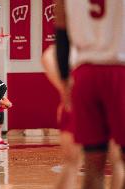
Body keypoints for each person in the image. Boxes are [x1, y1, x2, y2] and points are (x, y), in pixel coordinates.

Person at [54, 1, 125, 188]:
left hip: (84, 75)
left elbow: (61, 33)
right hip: (120, 68)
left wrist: (64, 79)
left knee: (93, 163)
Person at [42, 45, 124, 189]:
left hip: (81, 91)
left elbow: (47, 57)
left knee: (72, 163)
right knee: (117, 162)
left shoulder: (77, 39)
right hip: (110, 89)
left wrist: (64, 89)